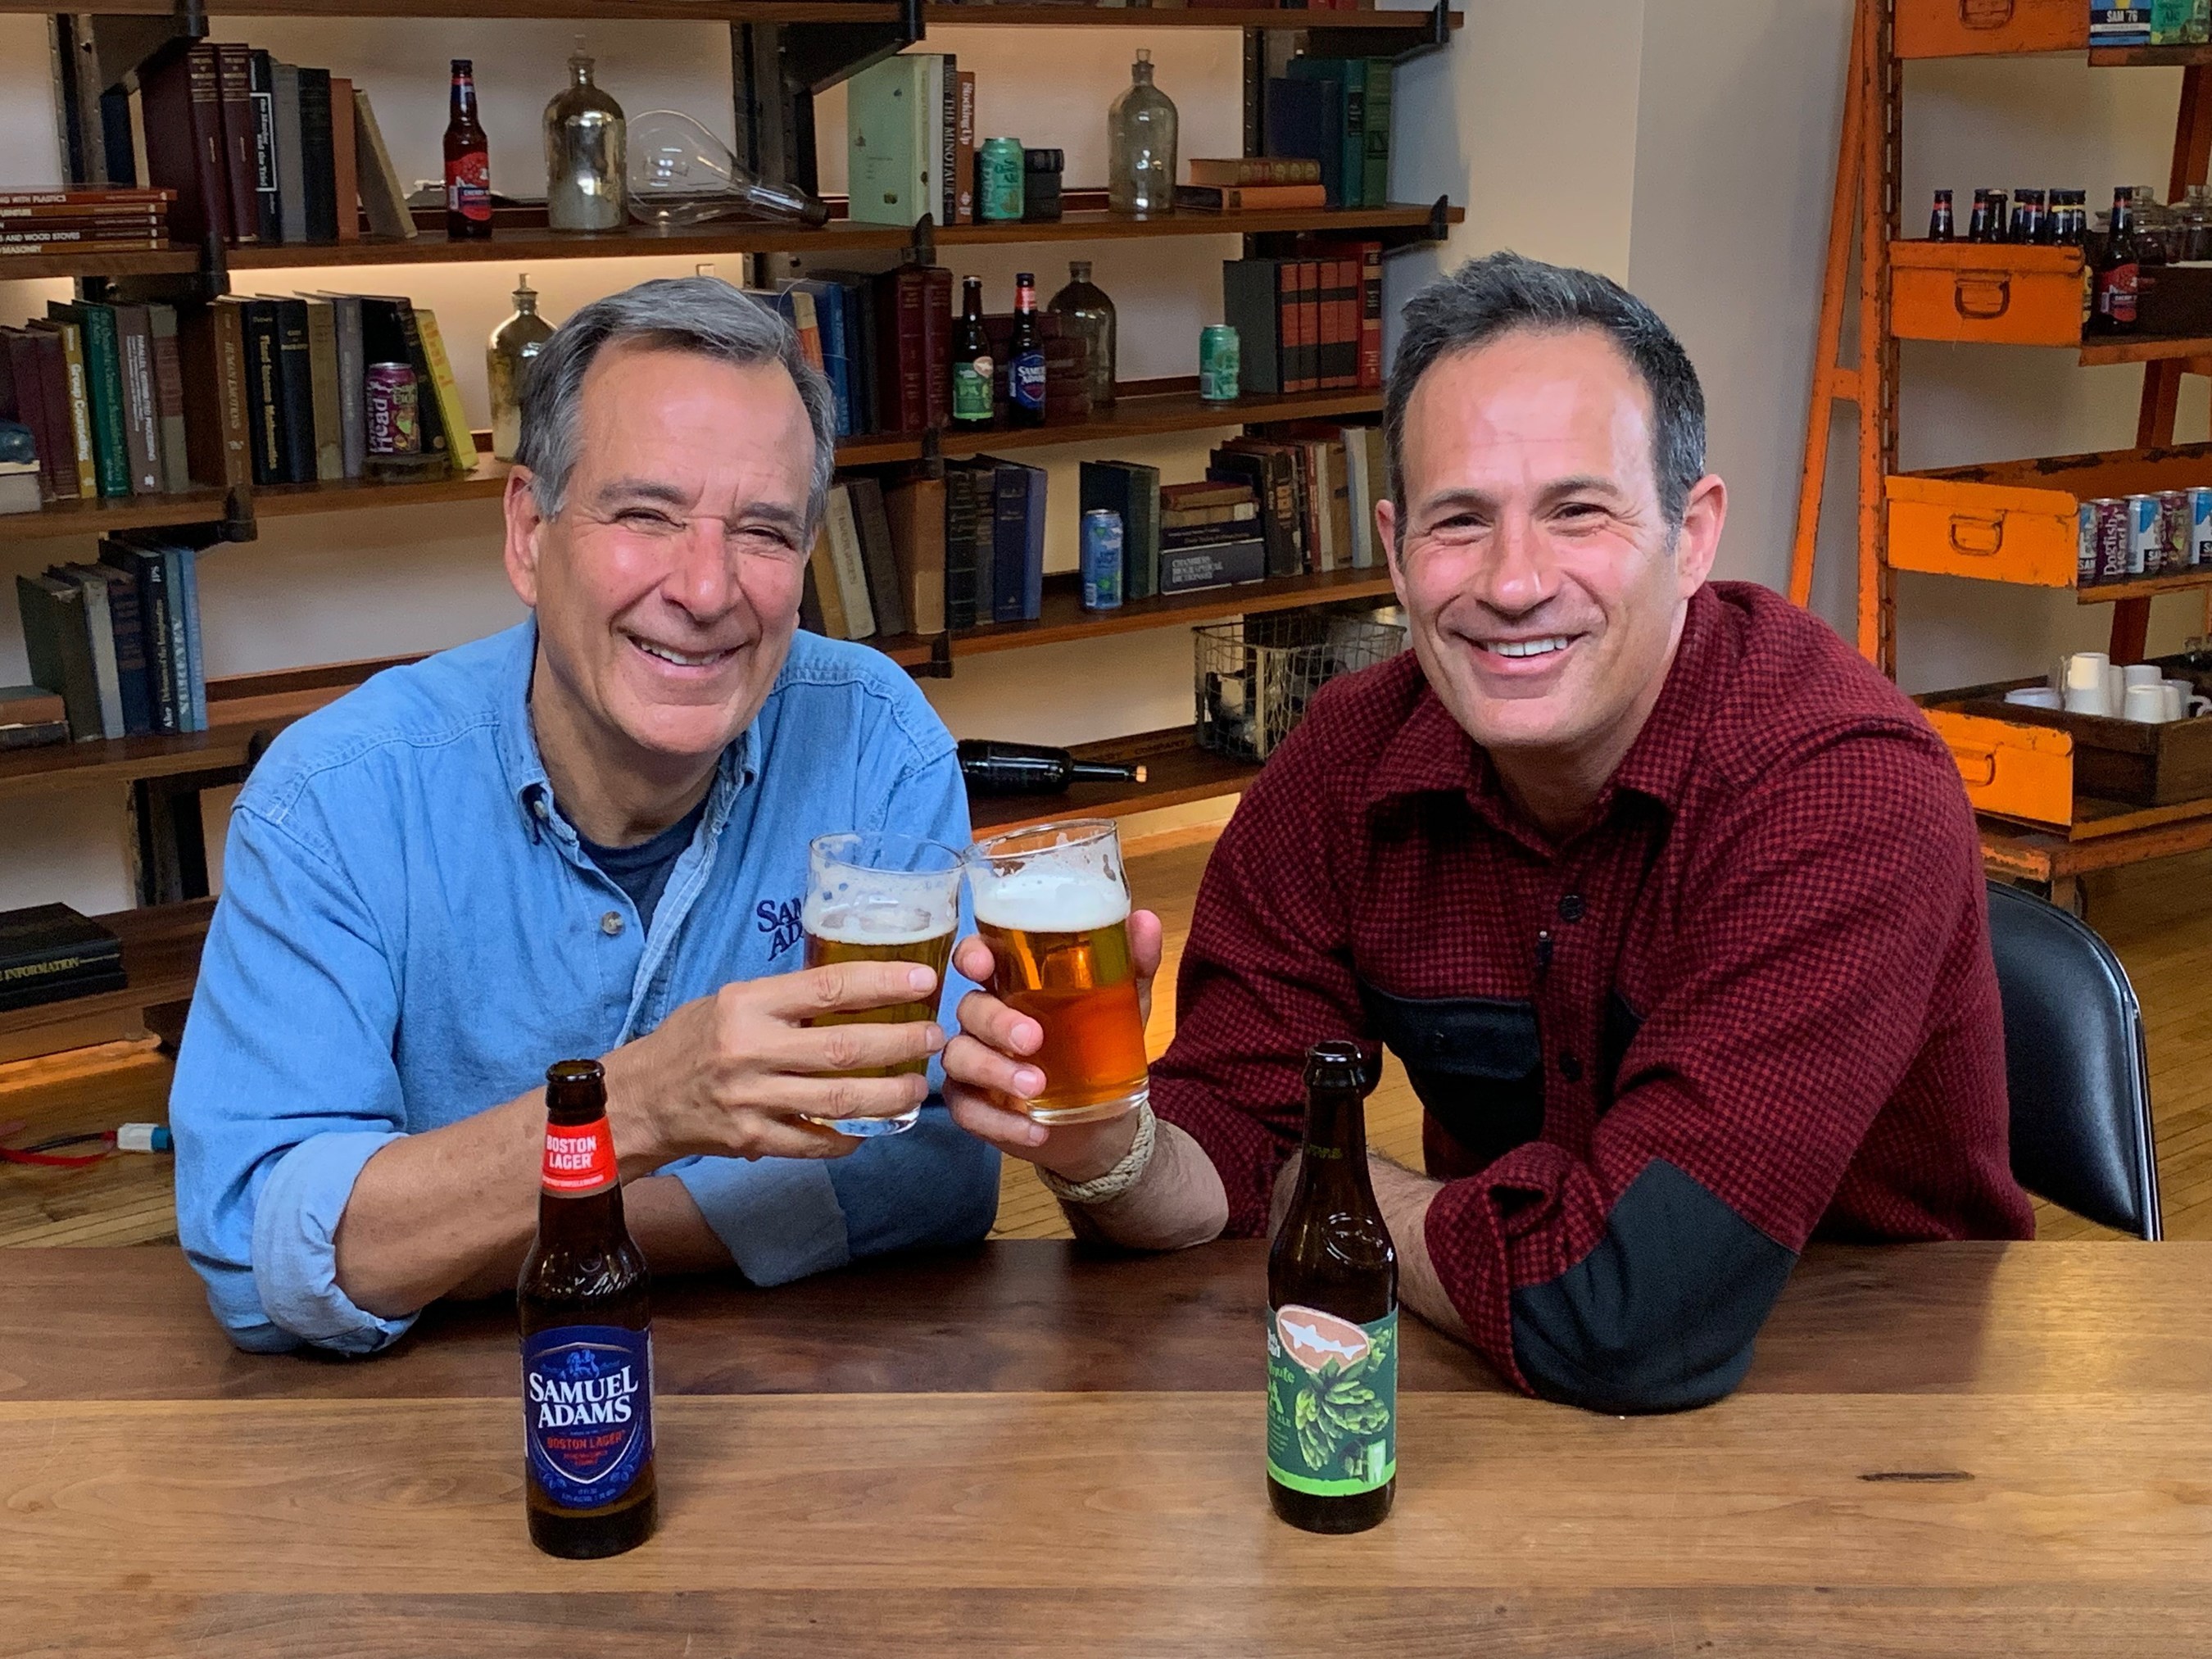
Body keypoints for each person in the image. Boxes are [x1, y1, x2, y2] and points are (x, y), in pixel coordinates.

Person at [945, 252, 2033, 1413]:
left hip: (1878, 1415)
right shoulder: (1349, 760)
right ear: (1396, 550)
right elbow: (1229, 1144)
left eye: (1578, 511)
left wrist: (1342, 1183)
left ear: (1695, 531)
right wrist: (1112, 1149)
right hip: (1490, 1378)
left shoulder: (1843, 790)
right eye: (1460, 521)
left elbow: (1628, 1313)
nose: (1515, 583)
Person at [172, 278, 997, 1354]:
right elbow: (258, 1246)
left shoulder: (877, 738)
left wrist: (519, 1231)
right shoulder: (331, 798)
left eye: (761, 531)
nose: (706, 590)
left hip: (804, 1415)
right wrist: (642, 1106)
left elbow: (937, 1163)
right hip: (420, 1460)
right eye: (646, 515)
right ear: (528, 532)